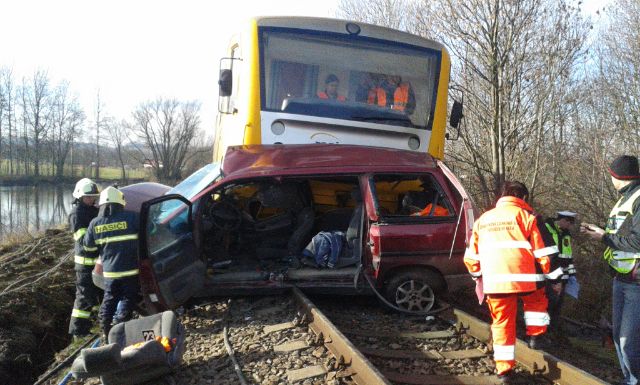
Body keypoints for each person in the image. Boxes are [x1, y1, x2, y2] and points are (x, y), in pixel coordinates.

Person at [464, 181, 562, 384]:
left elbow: (471, 257)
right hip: (527, 281)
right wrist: (556, 279)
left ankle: (504, 371)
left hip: (496, 283)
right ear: (523, 198)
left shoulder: (484, 220)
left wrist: (478, 277)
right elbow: (546, 254)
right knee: (536, 301)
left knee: (501, 324)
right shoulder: (529, 217)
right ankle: (536, 337)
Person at [581, 155, 640, 385]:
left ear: (619, 176)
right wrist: (600, 233)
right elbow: (621, 235)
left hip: (636, 281)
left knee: (628, 341)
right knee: (618, 337)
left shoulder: (637, 199)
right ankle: (629, 380)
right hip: (620, 279)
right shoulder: (623, 199)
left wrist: (603, 237)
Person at [84, 186, 140, 341]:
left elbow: (88, 248)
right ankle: (121, 327)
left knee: (109, 300)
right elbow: (153, 231)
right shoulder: (133, 217)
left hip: (109, 273)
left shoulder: (95, 223)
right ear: (121, 202)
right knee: (128, 299)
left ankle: (106, 330)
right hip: (131, 271)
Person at [68, 178, 101, 338]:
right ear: (80, 196)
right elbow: (82, 239)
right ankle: (78, 332)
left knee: (94, 297)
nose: (92, 199)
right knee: (83, 299)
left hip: (96, 264)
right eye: (89, 197)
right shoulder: (77, 214)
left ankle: (91, 326)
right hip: (84, 265)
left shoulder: (94, 211)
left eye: (94, 197)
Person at [544, 211, 577, 336]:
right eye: (569, 223)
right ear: (563, 220)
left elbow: (568, 257)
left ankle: (552, 332)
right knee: (547, 303)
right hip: (548, 275)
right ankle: (542, 331)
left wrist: (571, 276)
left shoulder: (566, 235)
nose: (570, 227)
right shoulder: (546, 228)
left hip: (562, 277)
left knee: (557, 306)